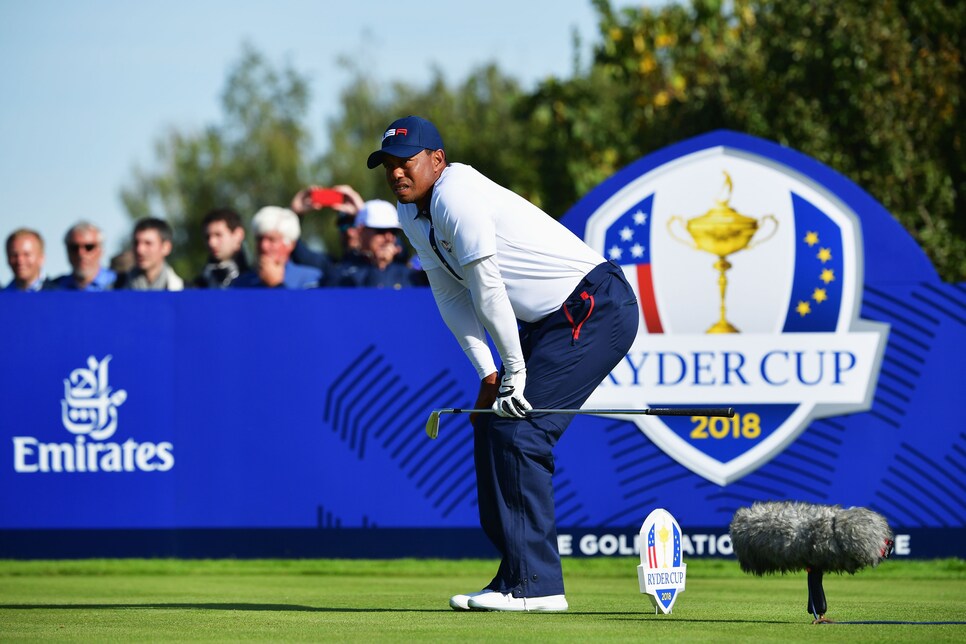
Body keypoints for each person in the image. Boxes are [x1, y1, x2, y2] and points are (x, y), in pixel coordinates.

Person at [367, 116, 639, 612]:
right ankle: (515, 575)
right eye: (388, 166)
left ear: (437, 160)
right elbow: (452, 297)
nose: (396, 175)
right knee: (493, 426)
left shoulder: (456, 196)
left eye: (405, 163)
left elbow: (487, 287)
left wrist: (514, 372)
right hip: (547, 322)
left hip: (593, 305)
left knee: (521, 431)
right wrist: (489, 375)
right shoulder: (412, 215)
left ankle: (539, 587)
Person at [326, 200, 426, 289]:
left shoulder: (409, 275)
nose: (389, 238)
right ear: (361, 231)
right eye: (381, 231)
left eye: (394, 232)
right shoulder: (341, 274)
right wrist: (379, 266)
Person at [231, 206, 322, 288]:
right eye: (259, 239)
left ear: (290, 244)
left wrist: (276, 285)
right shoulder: (241, 283)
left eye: (272, 240)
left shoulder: (311, 280)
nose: (263, 246)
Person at [115, 218, 184, 291]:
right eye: (136, 243)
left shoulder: (185, 291)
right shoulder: (114, 288)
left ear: (166, 247)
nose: (139, 250)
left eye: (148, 243)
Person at [193, 207, 250, 288]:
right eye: (207, 237)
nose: (211, 243)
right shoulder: (199, 286)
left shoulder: (257, 281)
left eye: (218, 235)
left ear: (238, 235)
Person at [52, 221, 117, 291]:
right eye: (74, 247)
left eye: (89, 247)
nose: (81, 253)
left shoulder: (121, 284)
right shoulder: (54, 288)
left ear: (101, 250)